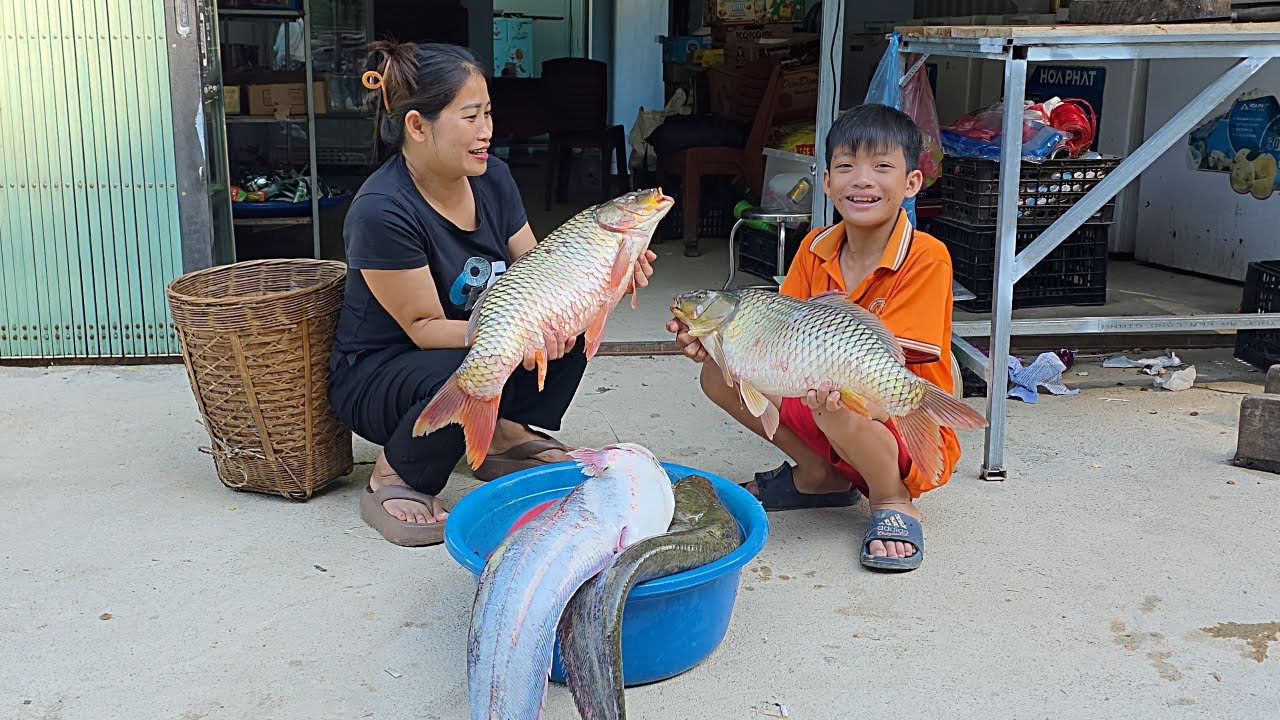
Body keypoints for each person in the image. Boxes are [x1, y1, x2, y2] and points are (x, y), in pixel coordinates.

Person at [327, 41, 656, 547]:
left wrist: (604, 279)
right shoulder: (382, 209)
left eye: (489, 113)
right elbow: (422, 328)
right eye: (471, 116)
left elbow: (539, 269)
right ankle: (393, 476)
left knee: (567, 318)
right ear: (417, 125)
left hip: (467, 344)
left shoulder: (493, 178)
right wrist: (515, 331)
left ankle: (503, 434)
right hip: (382, 373)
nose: (488, 131)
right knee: (480, 356)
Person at [666, 104, 959, 572]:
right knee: (717, 376)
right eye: (846, 166)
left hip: (888, 411)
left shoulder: (927, 256)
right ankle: (819, 475)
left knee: (839, 403)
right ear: (826, 181)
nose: (862, 180)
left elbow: (902, 365)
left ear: (911, 184)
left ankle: (891, 497)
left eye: (882, 167)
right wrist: (722, 350)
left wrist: (853, 399)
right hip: (820, 395)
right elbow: (779, 341)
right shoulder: (813, 246)